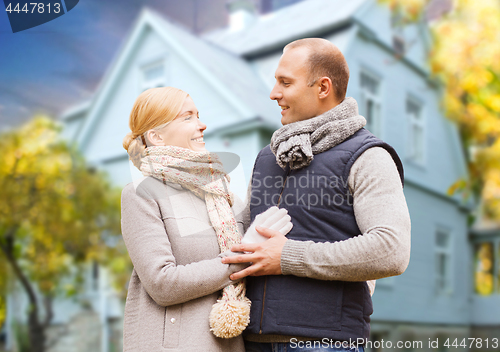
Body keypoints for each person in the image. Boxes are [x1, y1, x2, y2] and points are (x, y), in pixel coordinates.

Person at [222, 38, 411, 351]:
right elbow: (236, 235)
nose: (274, 94)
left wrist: (287, 258)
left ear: (323, 87)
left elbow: (390, 249)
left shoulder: (368, 156)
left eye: (285, 82)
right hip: (250, 340)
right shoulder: (268, 157)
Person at [120, 87, 292, 351]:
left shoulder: (223, 194)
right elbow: (162, 284)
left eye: (198, 115)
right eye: (187, 117)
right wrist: (242, 258)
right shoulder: (142, 193)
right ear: (156, 136)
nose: (202, 125)